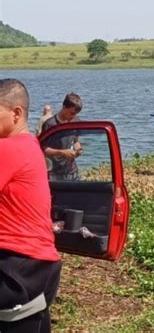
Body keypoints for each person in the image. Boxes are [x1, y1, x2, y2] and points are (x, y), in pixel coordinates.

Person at [0, 78, 61, 333]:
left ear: (16, 113)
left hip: (15, 267)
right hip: (40, 267)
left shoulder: (7, 147)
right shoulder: (30, 145)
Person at [42, 92, 83, 181]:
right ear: (64, 107)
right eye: (71, 113)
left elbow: (76, 141)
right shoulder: (50, 124)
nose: (73, 116)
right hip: (53, 172)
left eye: (76, 113)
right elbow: (43, 149)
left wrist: (78, 149)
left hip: (72, 170)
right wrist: (62, 152)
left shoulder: (76, 121)